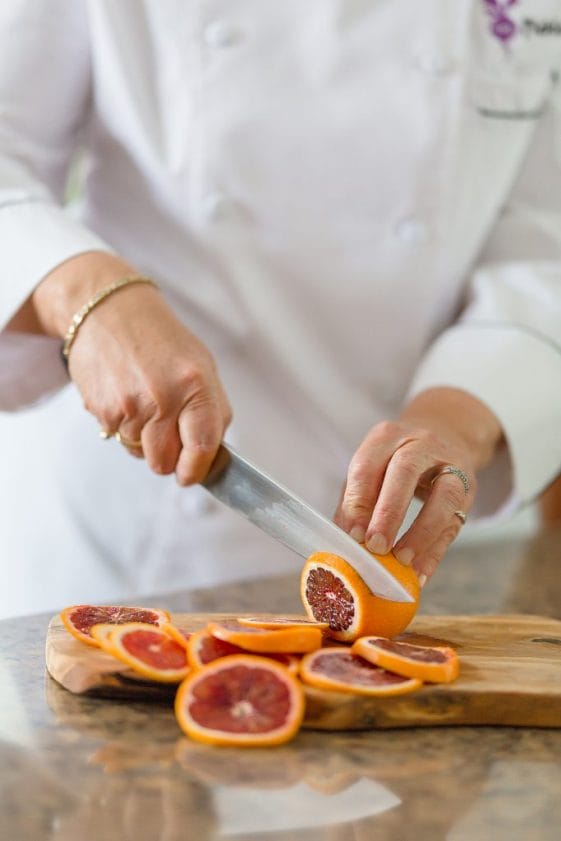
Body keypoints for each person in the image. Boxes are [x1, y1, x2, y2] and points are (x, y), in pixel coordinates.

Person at [1, 1, 561, 619]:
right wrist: (86, 291)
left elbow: (544, 245)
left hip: (410, 553)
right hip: (130, 537)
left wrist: (459, 419)